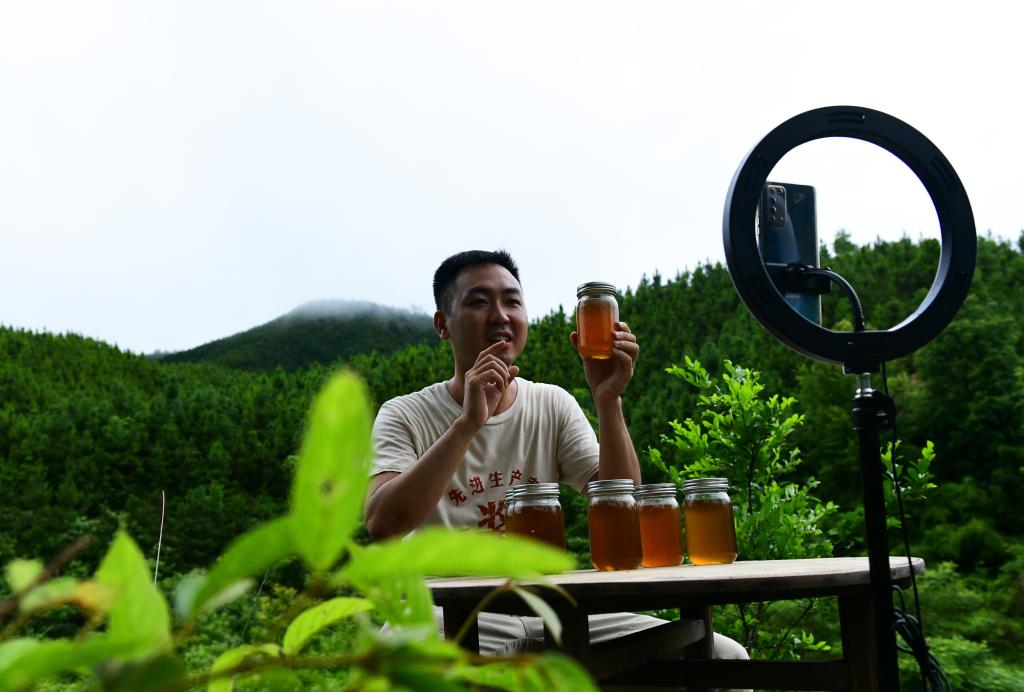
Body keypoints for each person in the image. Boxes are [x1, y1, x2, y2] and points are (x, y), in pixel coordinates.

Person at [365, 249, 748, 669]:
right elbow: (383, 523)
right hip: (443, 614)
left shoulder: (551, 403)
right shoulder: (405, 414)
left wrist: (608, 400)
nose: (500, 315)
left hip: (551, 608)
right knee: (408, 665)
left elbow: (624, 505)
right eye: (479, 302)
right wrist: (467, 424)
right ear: (443, 325)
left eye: (512, 301)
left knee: (723, 655)